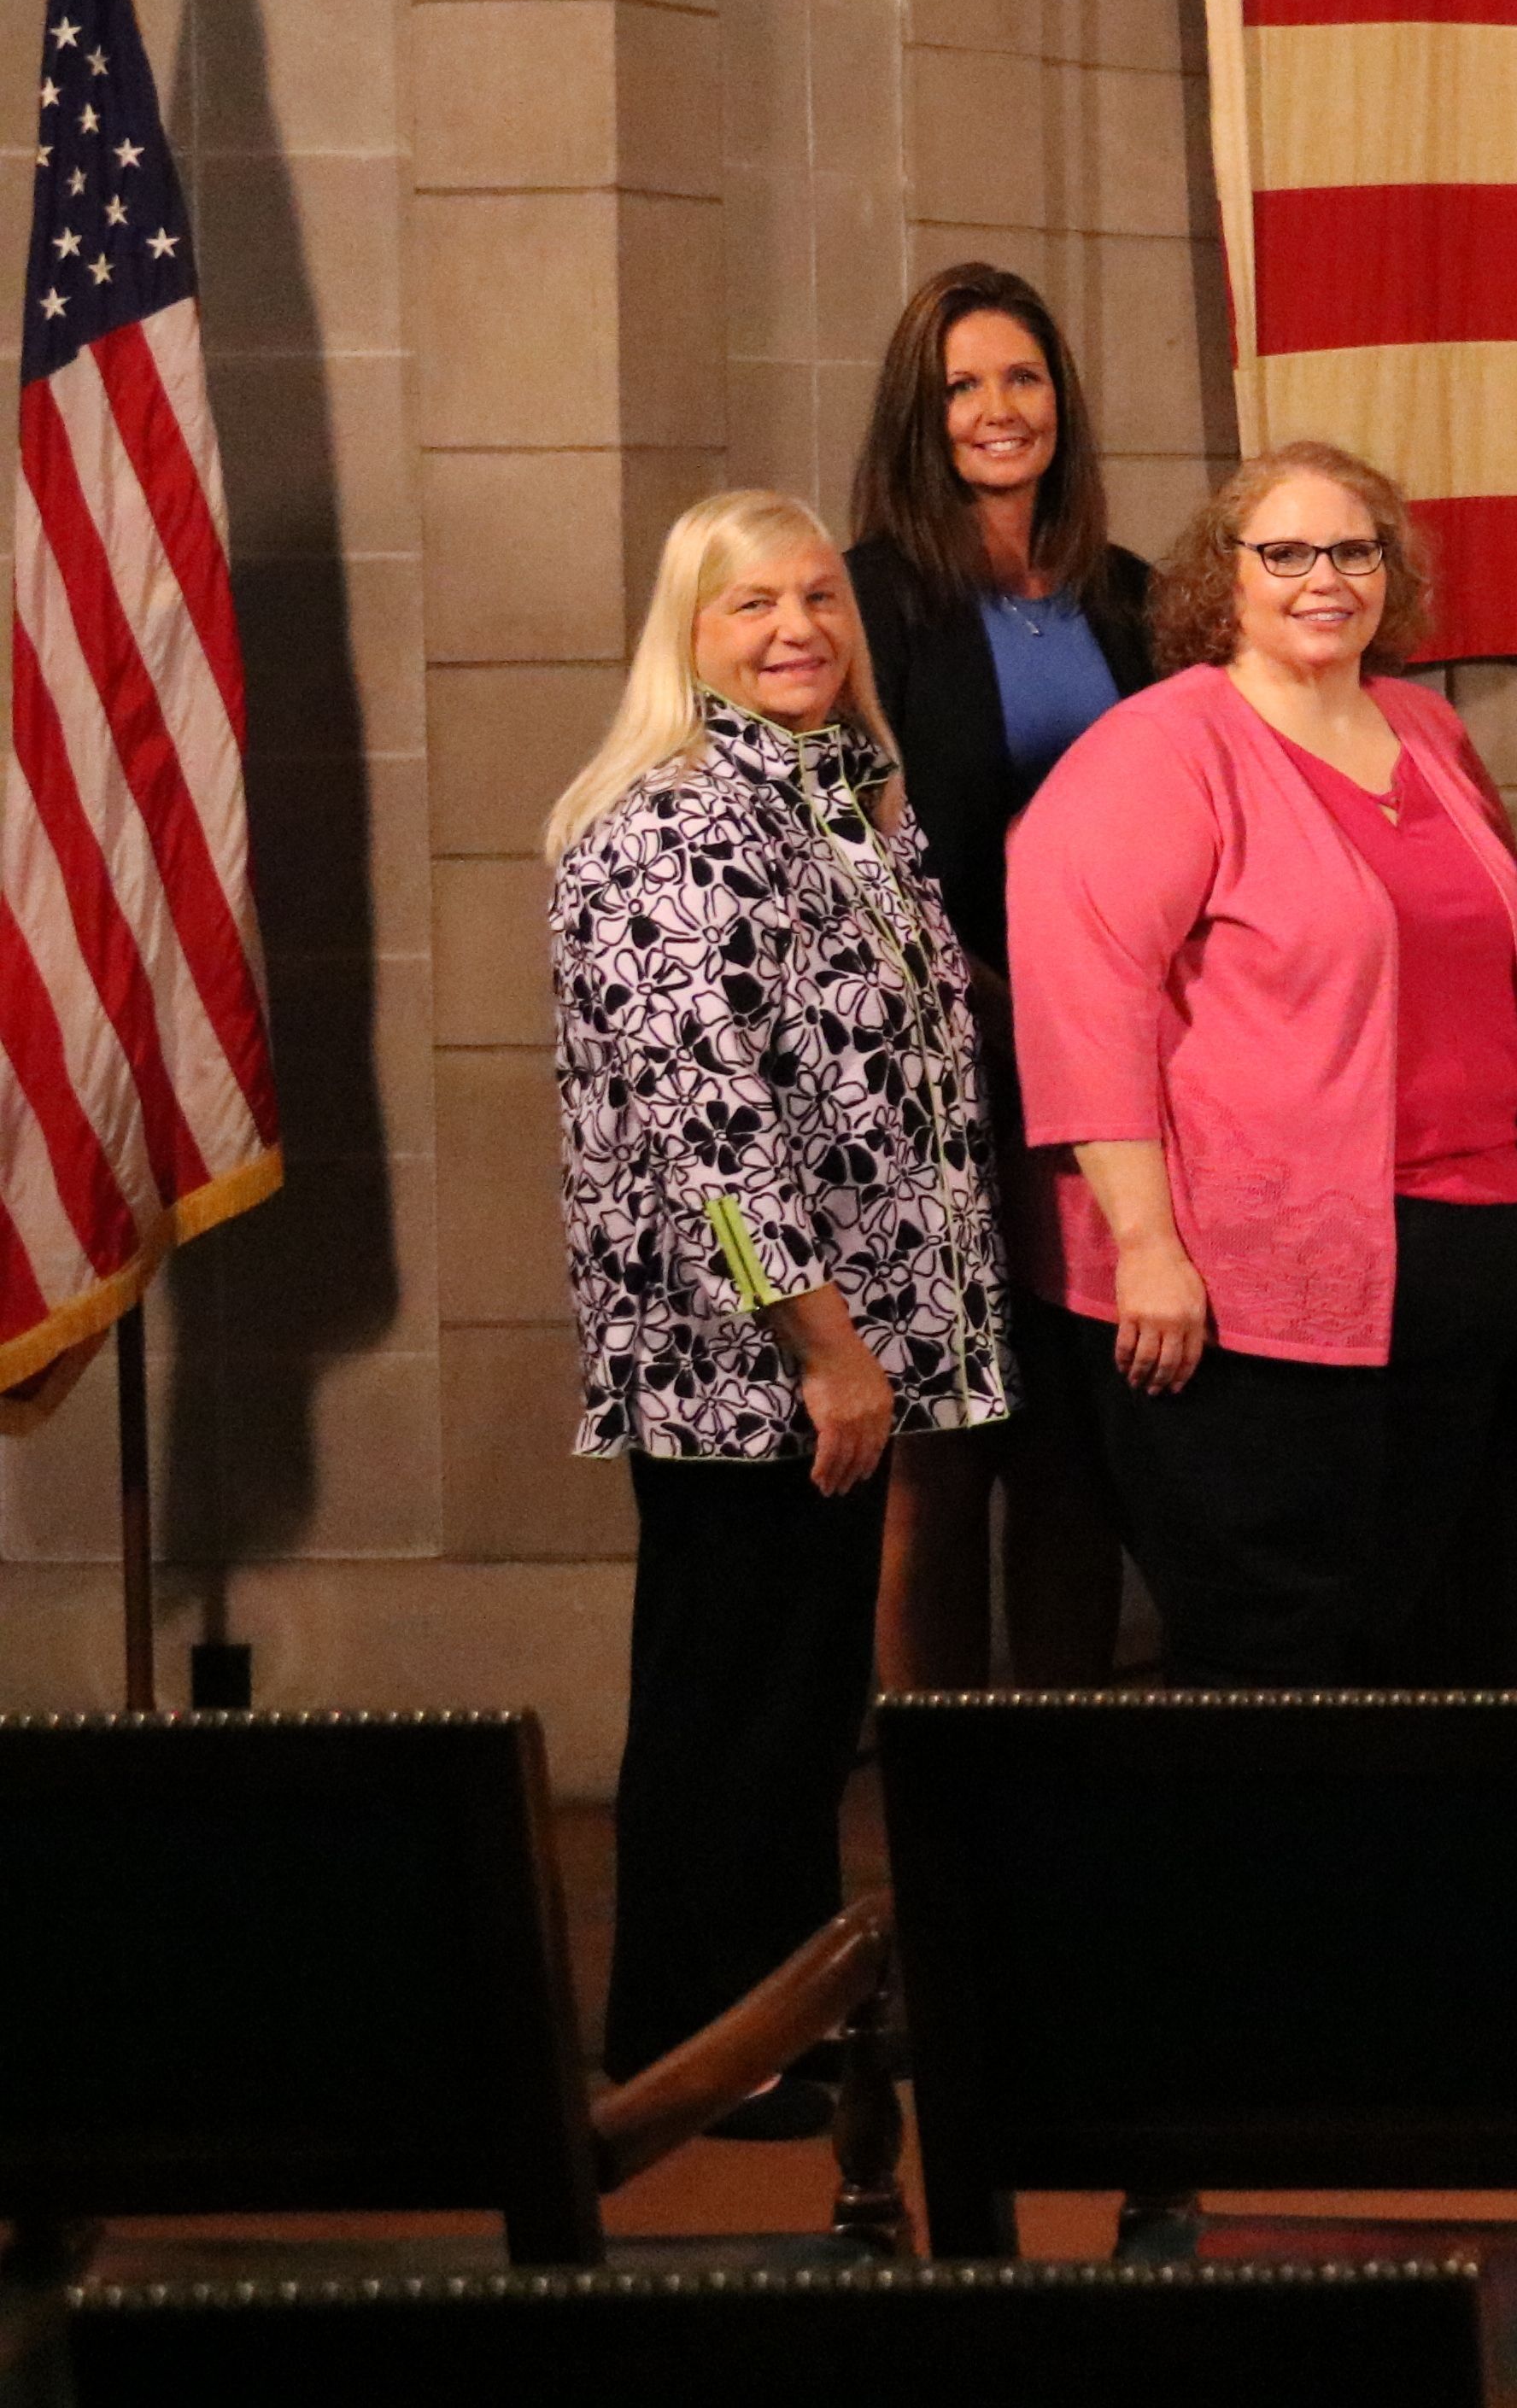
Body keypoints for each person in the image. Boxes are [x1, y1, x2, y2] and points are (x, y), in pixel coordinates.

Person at [545, 490, 1010, 2120]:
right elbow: (708, 1135)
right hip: (746, 1359)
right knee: (730, 1706)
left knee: (799, 1704)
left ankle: (772, 2020)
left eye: (817, 597)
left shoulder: (841, 808)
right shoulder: (668, 828)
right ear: (689, 636)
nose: (798, 628)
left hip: (853, 1340)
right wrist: (822, 1342)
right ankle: (691, 2048)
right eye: (751, 606)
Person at [1011, 443, 1517, 1689]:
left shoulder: (1427, 729)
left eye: (1353, 550)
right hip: (1241, 1280)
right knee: (1266, 1640)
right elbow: (1082, 1004)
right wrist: (1147, 1242)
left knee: (1397, 1625)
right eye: (1287, 552)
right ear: (1225, 577)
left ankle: (1359, 1886)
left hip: (1458, 1246)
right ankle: (1251, 1888)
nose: (1325, 578)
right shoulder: (1161, 750)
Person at [842, 261, 1153, 1696]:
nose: (996, 409)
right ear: (922, 411)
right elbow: (856, 847)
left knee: (1079, 1451)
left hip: (1109, 1073)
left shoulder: (1131, 598)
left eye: (1021, 378)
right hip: (943, 1071)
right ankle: (943, 1809)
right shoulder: (875, 601)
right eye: (964, 384)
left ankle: (1065, 1787)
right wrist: (975, 989)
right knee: (951, 1456)